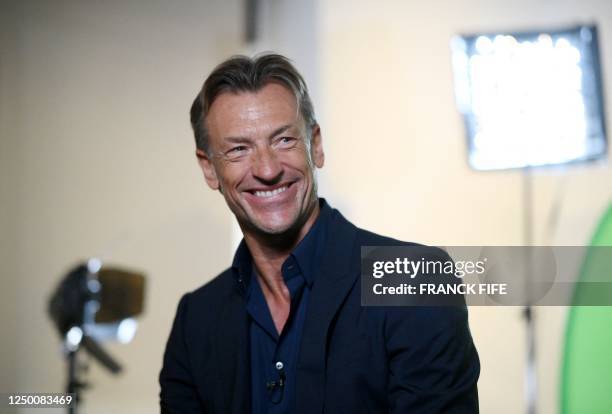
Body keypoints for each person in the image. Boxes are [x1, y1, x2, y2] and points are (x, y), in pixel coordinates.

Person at [159, 53, 480, 414]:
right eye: (238, 149)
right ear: (209, 169)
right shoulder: (196, 319)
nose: (267, 169)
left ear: (316, 145)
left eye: (283, 140)